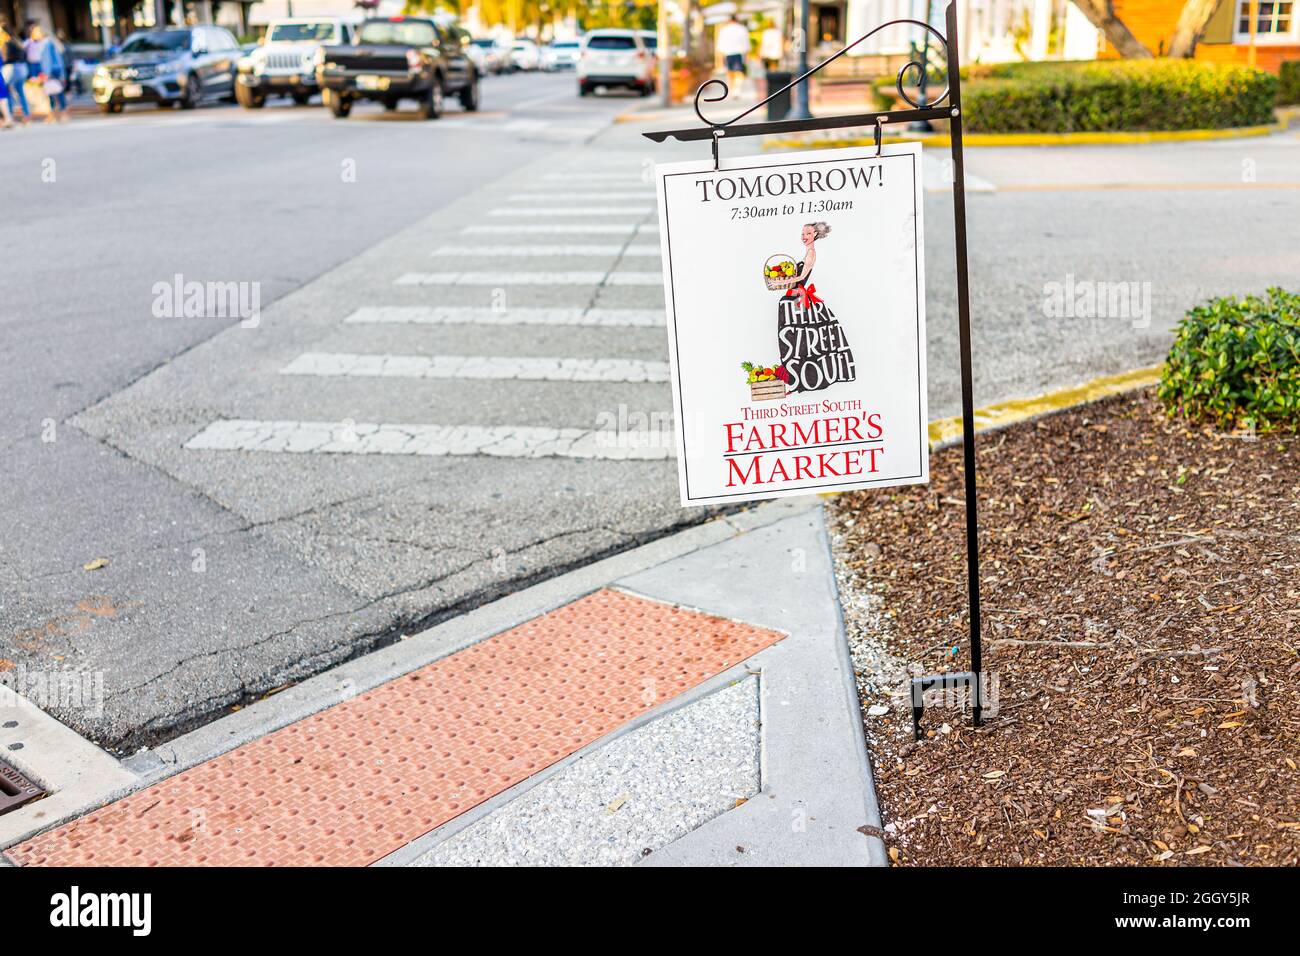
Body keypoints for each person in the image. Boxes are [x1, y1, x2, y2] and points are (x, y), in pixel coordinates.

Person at [774, 222, 856, 394]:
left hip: (799, 297)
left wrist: (779, 282)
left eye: (808, 233)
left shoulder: (811, 254)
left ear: (816, 236)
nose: (804, 236)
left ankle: (805, 378)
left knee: (802, 337)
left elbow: (802, 277)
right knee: (794, 338)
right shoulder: (806, 253)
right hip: (795, 297)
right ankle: (796, 377)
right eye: (803, 233)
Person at [29, 23, 67, 123]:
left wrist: (46, 73)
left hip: (51, 71)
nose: (33, 34)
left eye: (35, 32)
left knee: (57, 92)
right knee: (51, 92)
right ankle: (55, 114)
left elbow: (48, 60)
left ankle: (61, 114)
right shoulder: (44, 43)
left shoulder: (47, 44)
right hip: (51, 71)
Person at [1, 25, 29, 123]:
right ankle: (26, 115)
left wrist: (4, 62)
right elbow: (25, 56)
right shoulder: (18, 42)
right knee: (21, 92)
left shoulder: (7, 44)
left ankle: (10, 116)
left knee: (7, 91)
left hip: (12, 69)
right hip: (23, 68)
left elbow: (6, 58)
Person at [716, 14, 750, 95]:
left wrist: (720, 58)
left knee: (730, 73)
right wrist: (746, 56)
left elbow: (720, 45)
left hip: (728, 53)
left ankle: (731, 90)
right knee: (738, 73)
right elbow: (746, 43)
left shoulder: (724, 30)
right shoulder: (742, 29)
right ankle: (736, 90)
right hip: (738, 53)